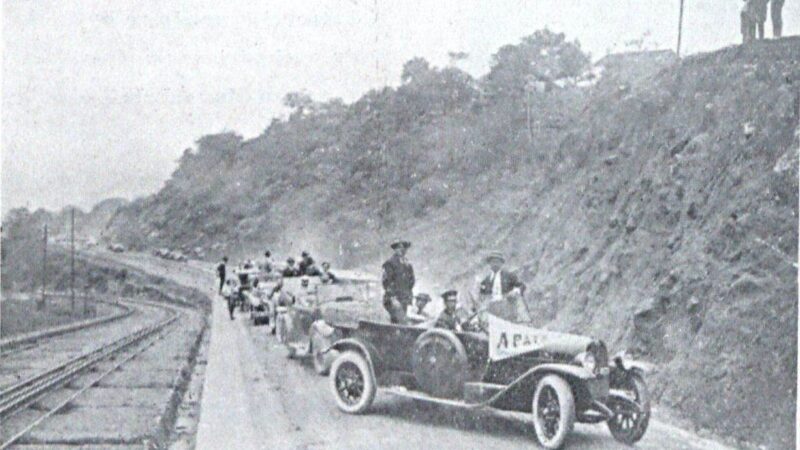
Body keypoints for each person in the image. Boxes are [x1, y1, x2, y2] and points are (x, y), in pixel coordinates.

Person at [479, 252, 530, 323]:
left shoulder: (509, 276)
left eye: (497, 262)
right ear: (489, 264)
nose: (495, 264)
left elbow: (522, 286)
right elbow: (482, 296)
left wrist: (515, 291)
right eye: (492, 262)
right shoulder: (486, 280)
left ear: (501, 263)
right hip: (491, 309)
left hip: (507, 307)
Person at [382, 239, 415, 324]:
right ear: (395, 249)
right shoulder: (390, 263)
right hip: (393, 298)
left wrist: (408, 294)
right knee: (399, 321)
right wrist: (392, 297)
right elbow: (387, 282)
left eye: (404, 248)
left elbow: (412, 281)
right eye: (399, 248)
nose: (402, 250)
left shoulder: (407, 264)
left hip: (404, 298)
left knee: (400, 322)